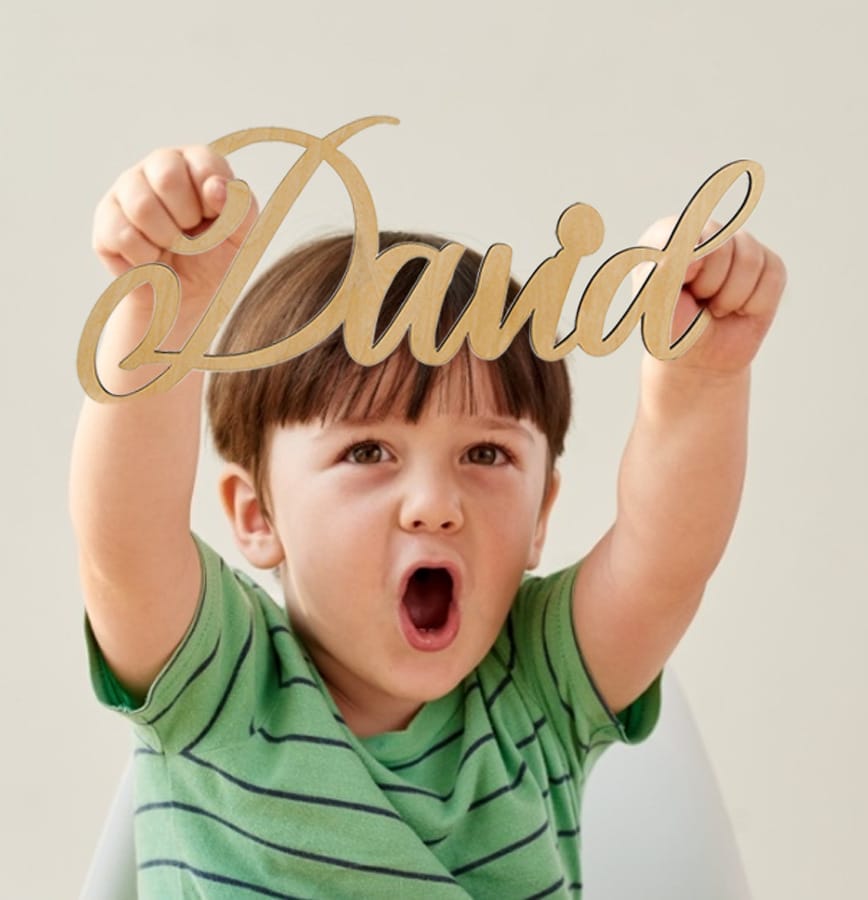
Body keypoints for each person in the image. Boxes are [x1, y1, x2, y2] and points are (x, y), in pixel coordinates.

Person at [71, 145, 785, 898]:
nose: (436, 505)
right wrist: (165, 316)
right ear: (258, 516)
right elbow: (126, 549)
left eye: (485, 453)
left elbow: (665, 558)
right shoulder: (222, 684)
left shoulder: (538, 685)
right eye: (368, 452)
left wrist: (702, 378)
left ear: (541, 516)